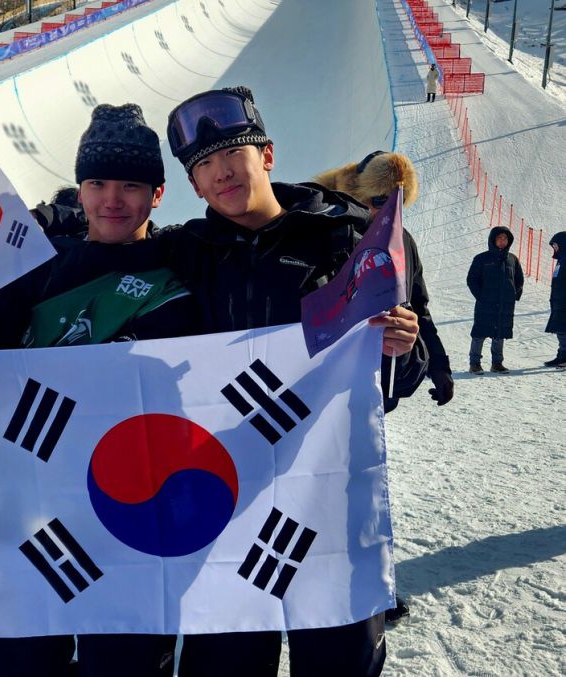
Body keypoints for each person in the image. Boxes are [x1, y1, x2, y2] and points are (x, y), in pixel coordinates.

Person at [0, 103, 198, 677]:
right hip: (30, 503)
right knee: (19, 659)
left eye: (130, 185)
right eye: (97, 182)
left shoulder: (183, 268)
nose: (111, 199)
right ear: (80, 186)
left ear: (157, 194)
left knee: (121, 663)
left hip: (130, 511)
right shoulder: (37, 269)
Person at [157, 85, 424, 677]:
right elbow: (90, 246)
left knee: (336, 661)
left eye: (234, 153)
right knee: (222, 664)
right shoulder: (186, 252)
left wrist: (400, 347)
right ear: (194, 185)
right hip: (225, 496)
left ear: (268, 156)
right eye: (203, 164)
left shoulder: (345, 238)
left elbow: (404, 370)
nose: (222, 171)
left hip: (325, 493)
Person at [313, 150, 454, 408]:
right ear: (358, 196)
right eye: (379, 200)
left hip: (381, 391)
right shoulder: (331, 236)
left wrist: (439, 367)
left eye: (396, 201)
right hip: (327, 394)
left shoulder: (404, 241)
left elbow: (418, 308)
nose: (388, 209)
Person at [466, 226, 524, 374]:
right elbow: (472, 279)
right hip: (485, 304)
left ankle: (497, 364)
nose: (502, 241)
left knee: (499, 334)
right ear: (493, 240)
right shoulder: (481, 259)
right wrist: (481, 296)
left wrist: (514, 295)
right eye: (499, 238)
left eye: (505, 238)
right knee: (479, 334)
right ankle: (475, 364)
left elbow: (519, 279)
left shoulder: (512, 259)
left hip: (505, 304)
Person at [543, 231, 566, 367]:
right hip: (558, 301)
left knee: (563, 330)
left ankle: (564, 357)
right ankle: (562, 355)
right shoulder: (561, 261)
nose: (554, 248)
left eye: (556, 245)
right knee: (560, 330)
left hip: (564, 301)